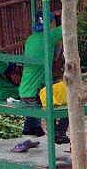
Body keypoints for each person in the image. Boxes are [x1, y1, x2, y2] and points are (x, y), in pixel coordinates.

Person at [18, 12, 69, 144]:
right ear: (51, 23)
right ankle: (58, 133)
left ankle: (31, 130)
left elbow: (54, 55)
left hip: (24, 91)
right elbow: (68, 25)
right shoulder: (50, 36)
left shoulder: (30, 39)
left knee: (50, 91)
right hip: (36, 94)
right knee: (67, 97)